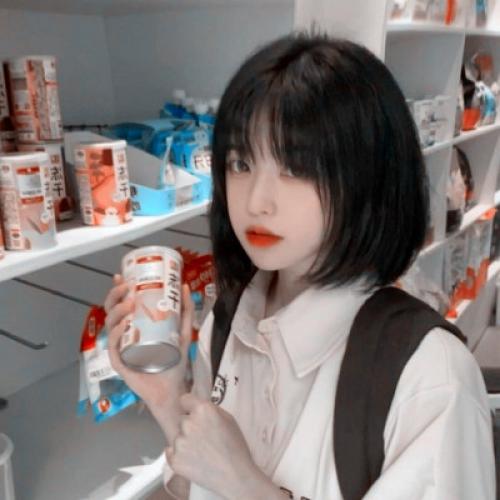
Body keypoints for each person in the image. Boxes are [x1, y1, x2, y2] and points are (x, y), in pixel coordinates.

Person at [104, 33, 495, 499]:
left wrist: (249, 486)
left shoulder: (430, 375)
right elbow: (202, 484)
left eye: (296, 167)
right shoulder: (228, 322)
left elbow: (231, 481)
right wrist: (169, 401)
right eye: (241, 163)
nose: (257, 201)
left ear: (367, 177)